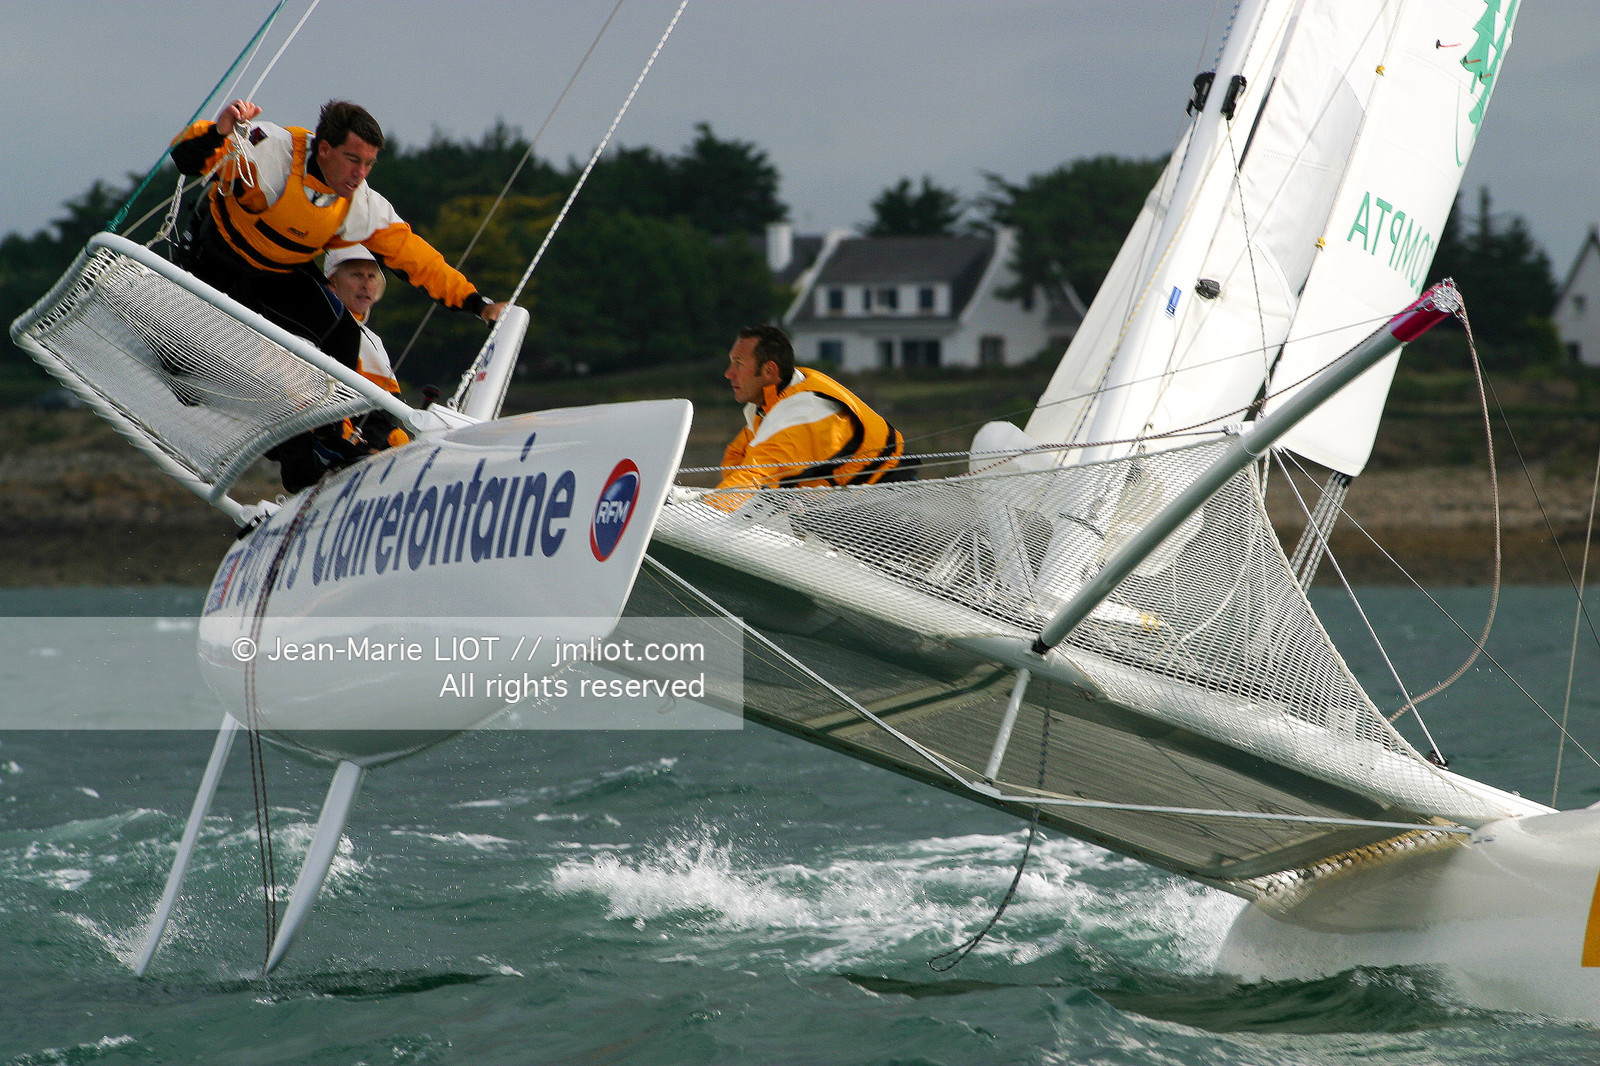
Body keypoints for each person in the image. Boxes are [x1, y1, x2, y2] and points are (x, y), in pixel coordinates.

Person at [169, 97, 506, 489]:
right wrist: (219, 131)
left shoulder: (360, 205)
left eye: (369, 164)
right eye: (352, 159)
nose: (360, 174)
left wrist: (476, 303)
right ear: (325, 149)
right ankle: (183, 362)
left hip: (276, 275)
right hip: (213, 262)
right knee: (200, 362)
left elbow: (416, 257)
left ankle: (328, 443)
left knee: (343, 333)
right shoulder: (269, 151)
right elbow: (187, 159)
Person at [709, 325, 913, 510]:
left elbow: (755, 474)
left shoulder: (801, 413)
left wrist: (710, 512)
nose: (729, 373)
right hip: (843, 504)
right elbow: (738, 458)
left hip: (886, 500)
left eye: (738, 364)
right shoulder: (773, 399)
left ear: (769, 370)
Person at [323, 243, 409, 451]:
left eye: (371, 276)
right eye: (356, 275)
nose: (366, 284)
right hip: (343, 454)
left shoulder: (372, 339)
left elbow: (383, 418)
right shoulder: (322, 330)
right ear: (332, 283)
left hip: (381, 453)